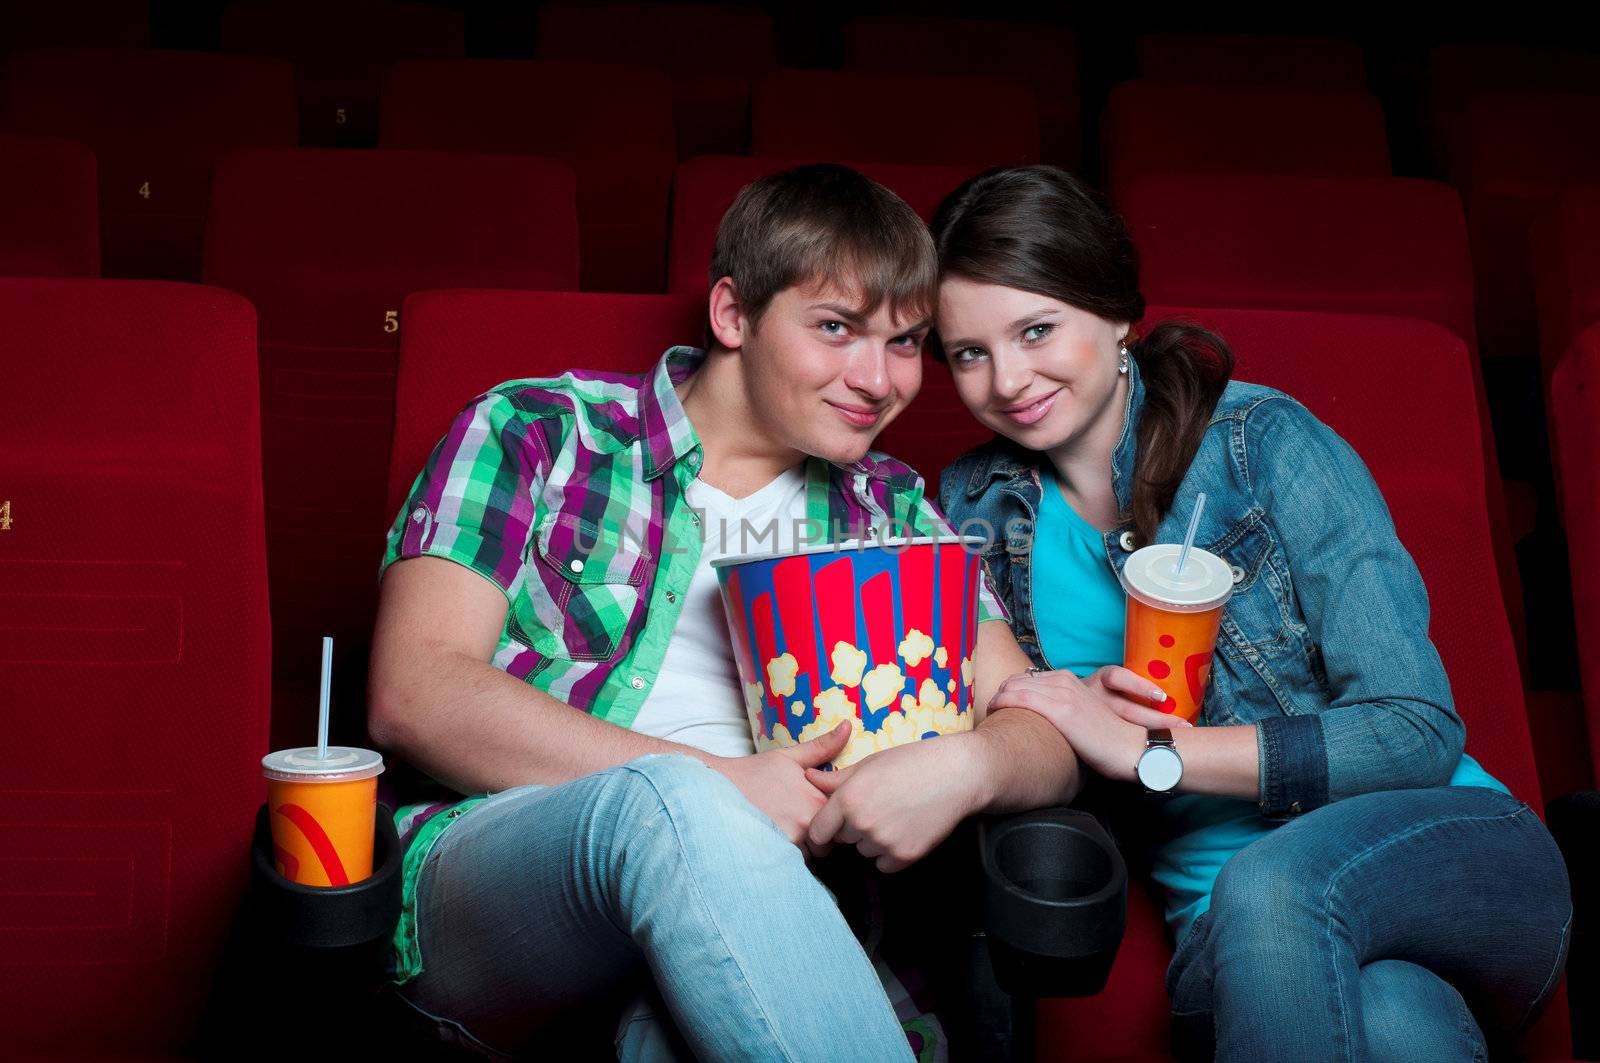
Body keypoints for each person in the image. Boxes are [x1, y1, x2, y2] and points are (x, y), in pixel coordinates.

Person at [366, 164, 1118, 1061]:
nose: (878, 380)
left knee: (671, 1031)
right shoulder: (543, 431)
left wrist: (966, 766)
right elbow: (415, 691)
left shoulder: (892, 512)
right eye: (835, 328)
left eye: (906, 341)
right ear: (733, 315)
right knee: (675, 802)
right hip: (500, 882)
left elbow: (1040, 733)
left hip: (768, 915)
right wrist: (726, 786)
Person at [930, 165, 1573, 1062]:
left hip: (1453, 858)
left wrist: (1157, 753)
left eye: (1037, 330)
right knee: (1392, 1020)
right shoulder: (971, 505)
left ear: (1116, 312)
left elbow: (1416, 727)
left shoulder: (1262, 443)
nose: (1007, 379)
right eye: (968, 352)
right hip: (1225, 939)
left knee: (1272, 884)